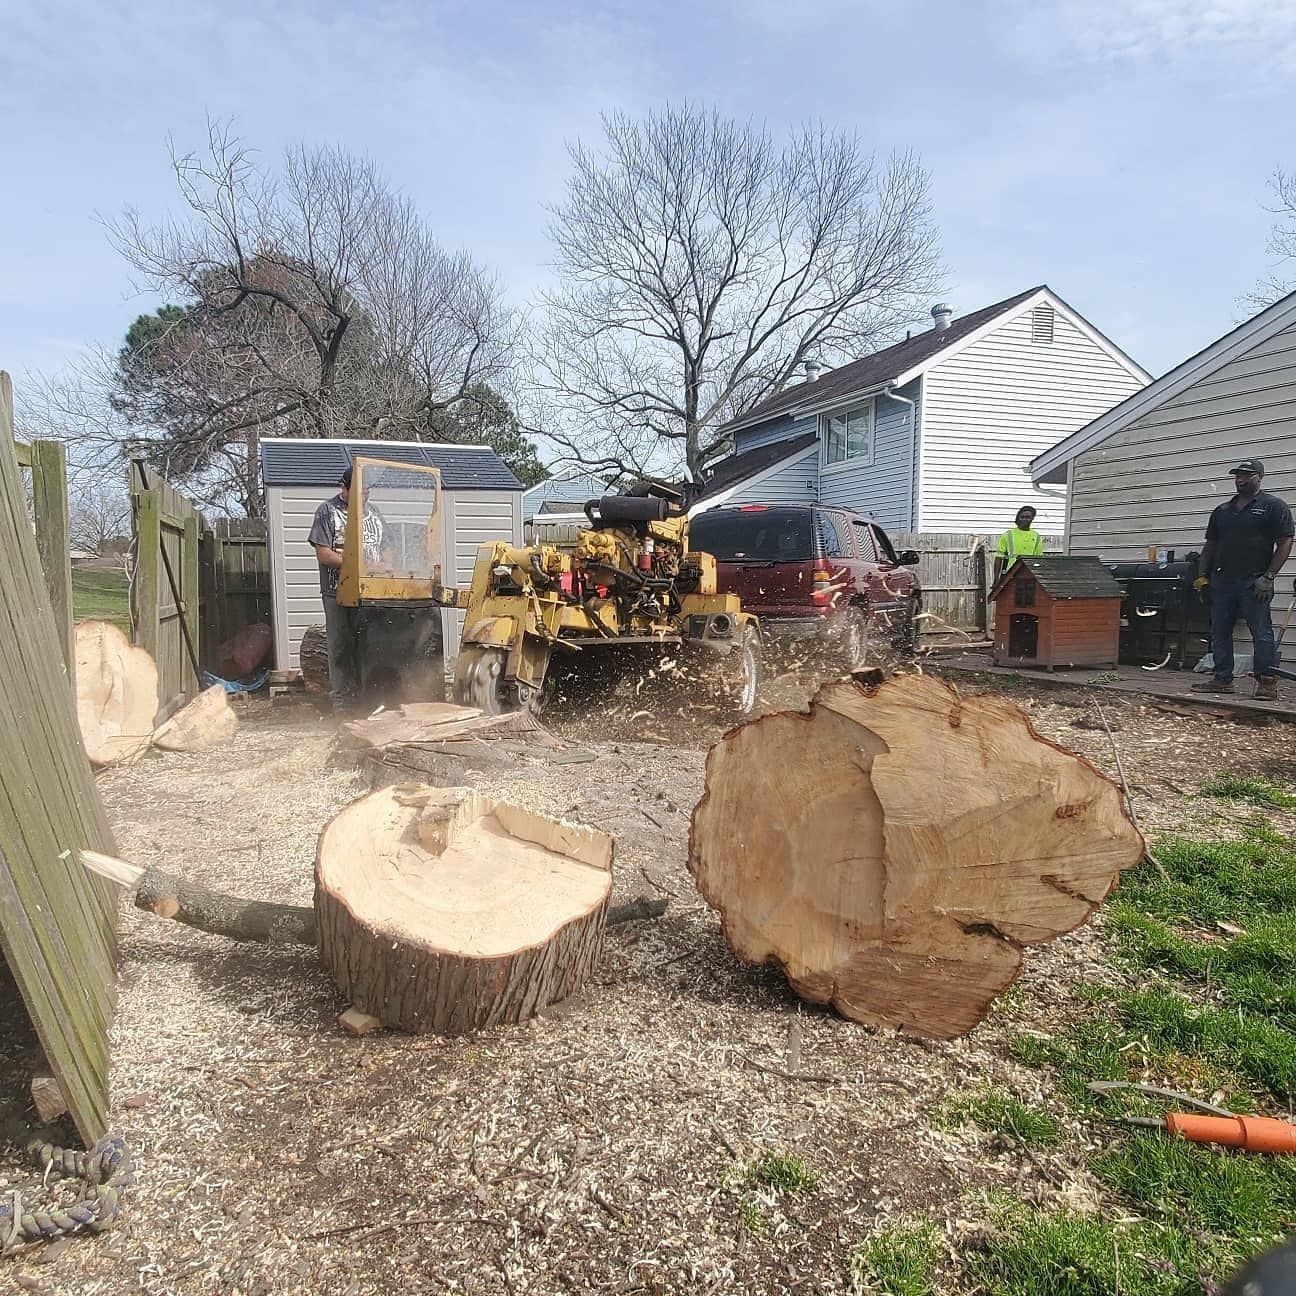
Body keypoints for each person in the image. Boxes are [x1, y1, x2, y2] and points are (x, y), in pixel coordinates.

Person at [1191, 458, 1293, 701]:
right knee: (1220, 630)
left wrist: (1268, 577)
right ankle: (1222, 679)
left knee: (1261, 632)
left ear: (1259, 477)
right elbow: (1210, 546)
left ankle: (1266, 682)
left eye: (1246, 475)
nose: (1240, 479)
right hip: (1222, 582)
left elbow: (1285, 542)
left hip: (1254, 581)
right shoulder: (1223, 511)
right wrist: (1202, 577)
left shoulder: (1273, 507)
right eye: (1237, 475)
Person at [308, 466, 386, 711]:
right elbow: (324, 554)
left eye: (367, 492)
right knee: (340, 646)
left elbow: (388, 549)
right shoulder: (327, 512)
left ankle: (370, 700)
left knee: (371, 645)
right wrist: (357, 565)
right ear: (344, 487)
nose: (364, 497)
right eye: (359, 492)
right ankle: (342, 704)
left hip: (371, 592)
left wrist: (384, 566)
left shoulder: (374, 514)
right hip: (337, 592)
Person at [994, 505, 1045, 581]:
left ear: (1032, 519)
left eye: (1028, 517)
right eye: (1022, 517)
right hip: (1010, 575)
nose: (1024, 519)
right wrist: (996, 579)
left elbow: (1039, 559)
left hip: (1029, 575)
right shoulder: (1008, 535)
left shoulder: (1037, 537)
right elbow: (998, 557)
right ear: (1018, 518)